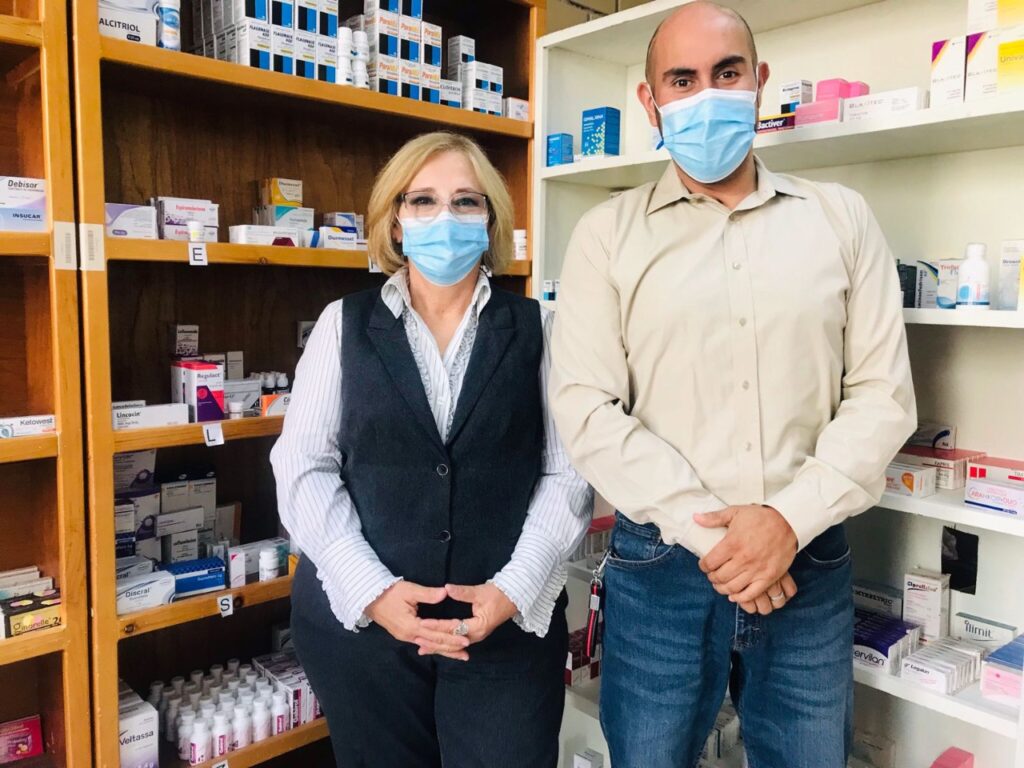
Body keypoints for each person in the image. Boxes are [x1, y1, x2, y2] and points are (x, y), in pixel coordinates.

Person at [549, 3, 917, 767]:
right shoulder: (607, 235)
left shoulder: (841, 219)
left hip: (806, 559)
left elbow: (883, 395)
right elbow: (587, 409)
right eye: (682, 80)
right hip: (662, 568)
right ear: (650, 100)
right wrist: (724, 540)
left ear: (759, 83)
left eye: (727, 73)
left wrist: (785, 521)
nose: (707, 94)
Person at [270, 131, 591, 768]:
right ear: (395, 221)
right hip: (364, 628)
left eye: (466, 201)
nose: (446, 217)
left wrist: (512, 589)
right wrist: (372, 590)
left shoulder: (539, 328)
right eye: (423, 200)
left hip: (504, 627)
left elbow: (567, 472)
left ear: (491, 219)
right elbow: (303, 465)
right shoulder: (343, 323)